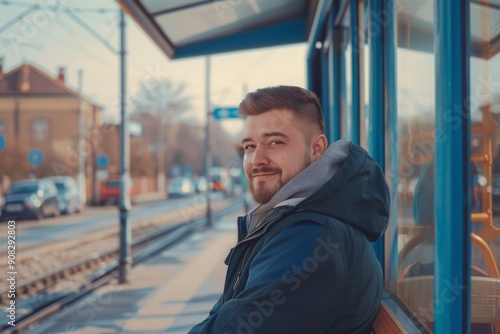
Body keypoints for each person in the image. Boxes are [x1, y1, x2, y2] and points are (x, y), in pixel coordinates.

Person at [188, 86, 390, 334]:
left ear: (316, 149)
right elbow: (220, 318)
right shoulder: (293, 221)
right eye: (249, 146)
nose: (257, 159)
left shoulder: (311, 239)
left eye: (274, 142)